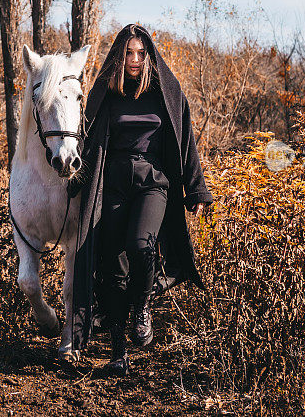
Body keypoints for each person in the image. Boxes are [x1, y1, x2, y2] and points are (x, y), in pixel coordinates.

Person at [67, 23, 214, 376]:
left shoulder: (166, 93)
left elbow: (185, 141)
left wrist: (196, 189)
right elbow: (84, 141)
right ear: (120, 55)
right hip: (113, 183)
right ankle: (118, 352)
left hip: (153, 182)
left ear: (149, 55)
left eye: (140, 52)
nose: (134, 59)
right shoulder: (107, 94)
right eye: (128, 53)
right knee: (112, 266)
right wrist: (72, 182)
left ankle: (143, 306)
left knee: (141, 246)